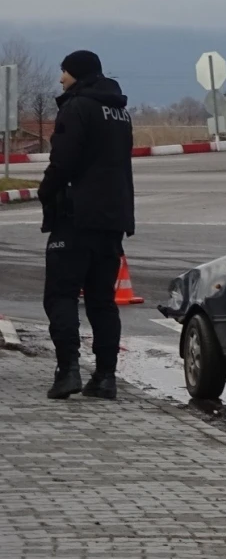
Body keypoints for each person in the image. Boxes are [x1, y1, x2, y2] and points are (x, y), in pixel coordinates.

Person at [37, 50, 136, 400]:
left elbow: (63, 161)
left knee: (61, 295)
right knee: (101, 301)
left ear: (76, 73)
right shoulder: (120, 112)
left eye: (63, 71)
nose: (60, 79)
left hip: (75, 218)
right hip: (113, 220)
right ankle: (106, 377)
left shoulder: (76, 108)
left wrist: (45, 191)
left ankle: (68, 372)